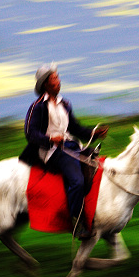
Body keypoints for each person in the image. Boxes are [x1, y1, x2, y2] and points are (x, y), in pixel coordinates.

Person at [19, 64, 108, 238]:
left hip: (71, 146)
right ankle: (76, 221)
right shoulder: (37, 107)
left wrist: (93, 133)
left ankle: (96, 211)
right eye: (54, 78)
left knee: (97, 167)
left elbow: (74, 128)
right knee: (77, 181)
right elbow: (30, 133)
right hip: (52, 151)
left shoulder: (64, 103)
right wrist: (51, 139)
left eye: (58, 77)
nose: (58, 81)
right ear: (46, 84)